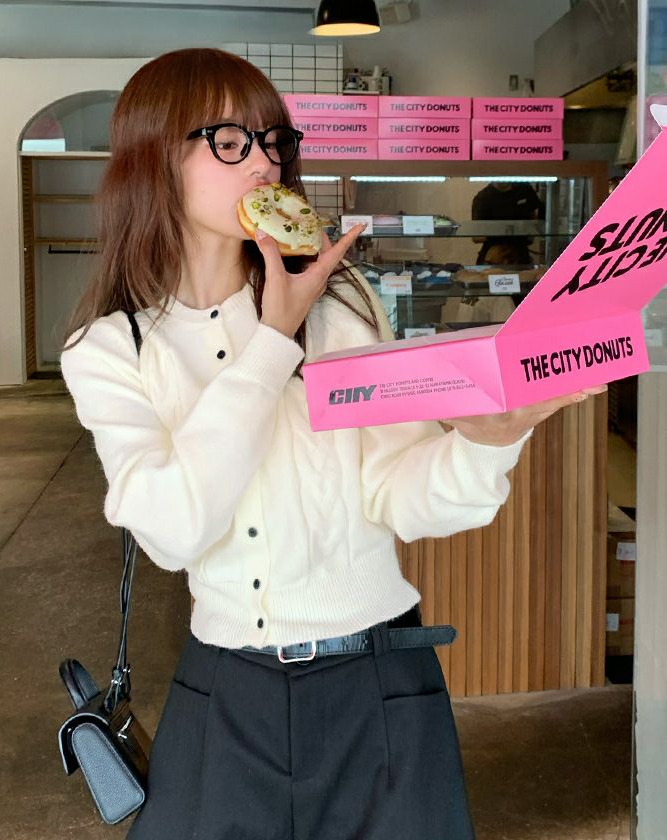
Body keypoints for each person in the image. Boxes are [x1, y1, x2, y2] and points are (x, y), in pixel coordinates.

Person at [60, 48, 604, 840]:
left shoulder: (341, 307)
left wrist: (490, 441)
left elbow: (399, 495)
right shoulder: (113, 349)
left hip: (380, 680)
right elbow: (174, 532)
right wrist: (273, 338)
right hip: (226, 690)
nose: (264, 162)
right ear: (153, 159)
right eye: (229, 141)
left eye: (274, 140)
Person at [471, 180, 545, 265]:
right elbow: (476, 237)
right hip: (494, 257)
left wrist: (530, 232)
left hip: (520, 255)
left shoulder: (524, 189)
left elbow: (535, 217)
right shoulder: (483, 198)